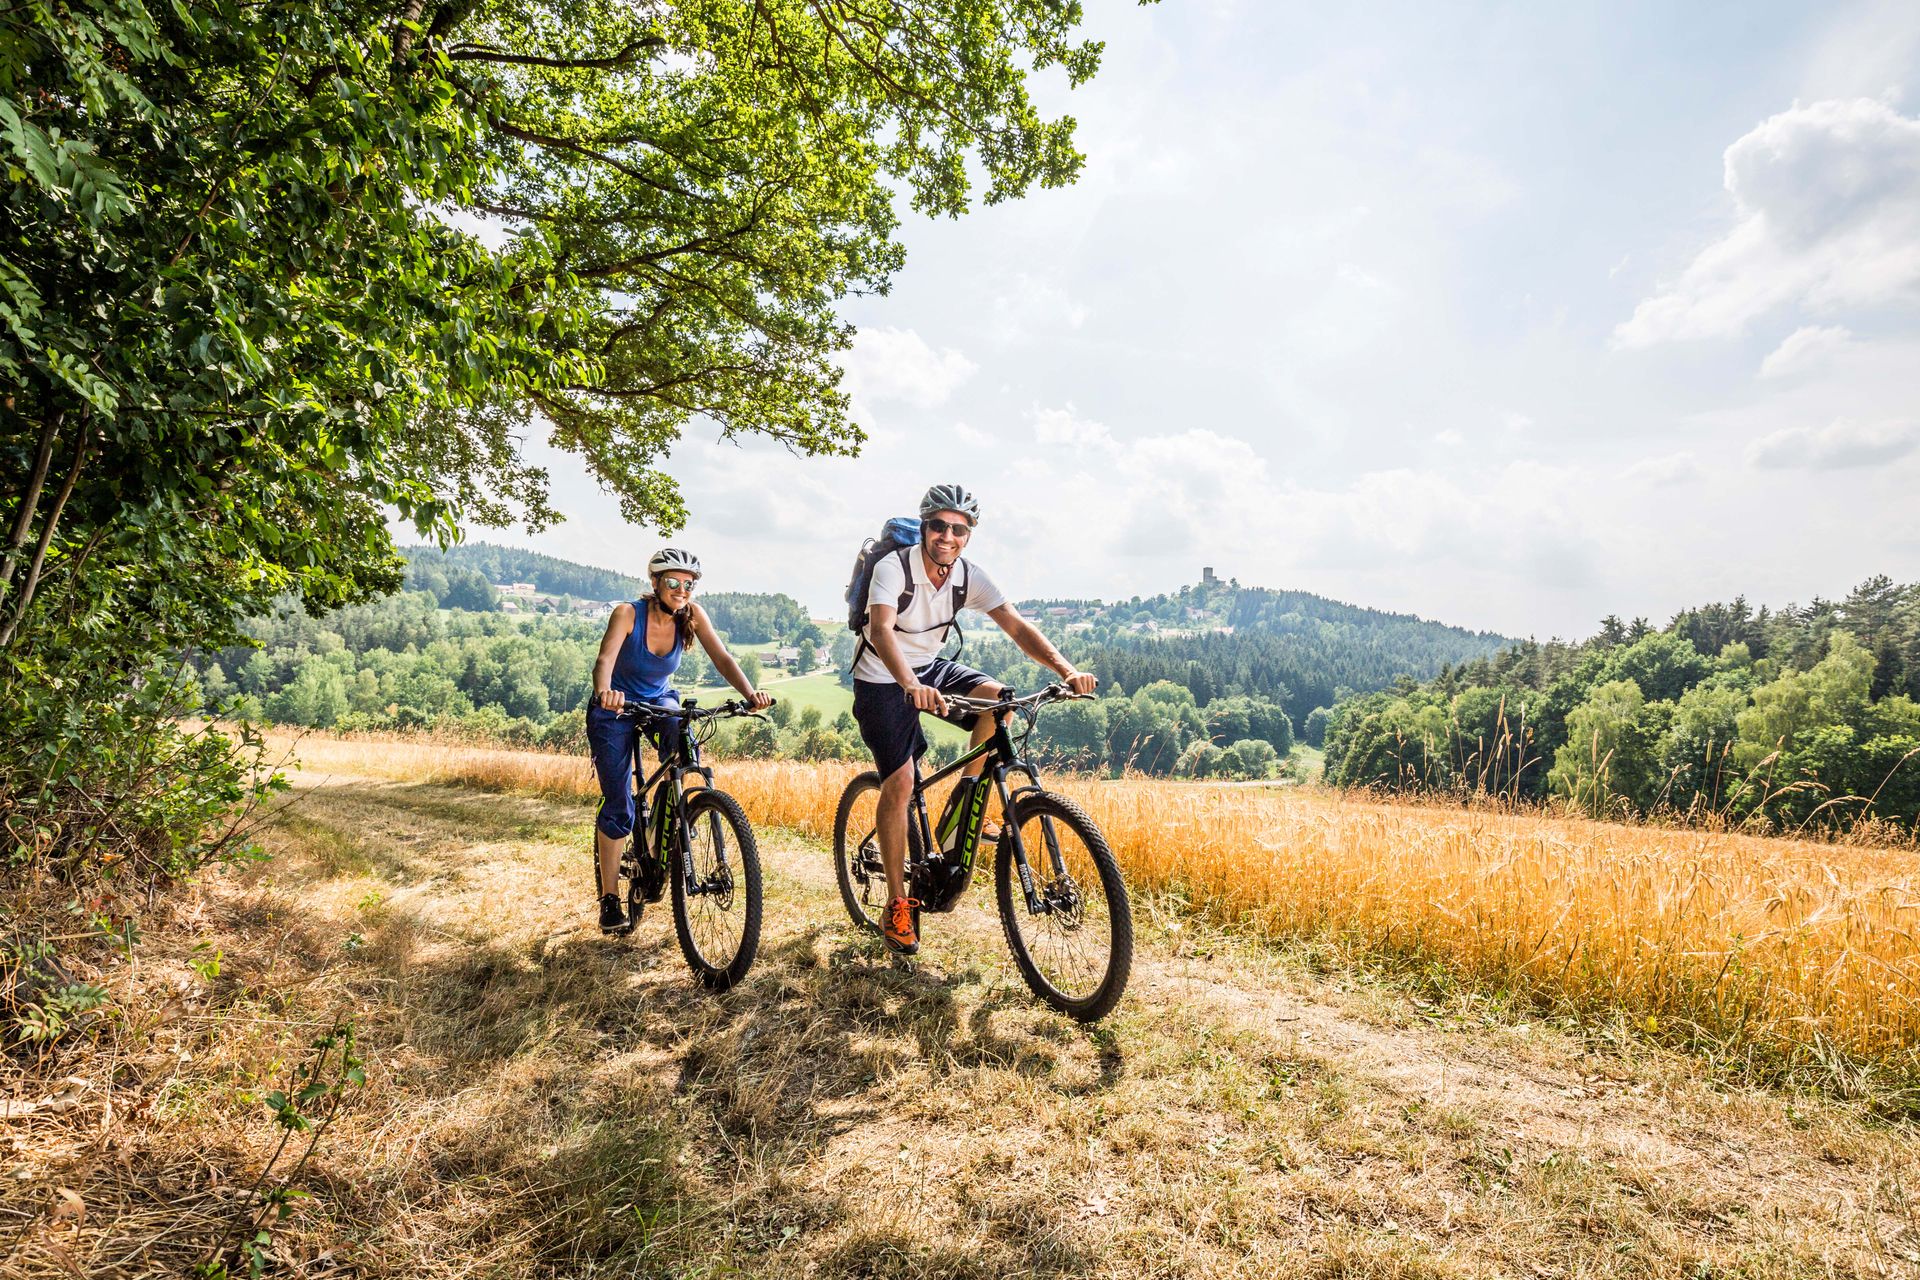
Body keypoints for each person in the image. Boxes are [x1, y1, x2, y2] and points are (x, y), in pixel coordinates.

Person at [852, 483, 1097, 955]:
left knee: (1000, 702)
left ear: (969, 535)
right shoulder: (892, 567)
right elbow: (881, 629)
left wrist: (1066, 671)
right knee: (900, 784)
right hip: (882, 678)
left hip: (930, 668)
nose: (948, 536)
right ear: (924, 528)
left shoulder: (968, 576)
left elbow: (1017, 626)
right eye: (940, 526)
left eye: (958, 529)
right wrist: (909, 685)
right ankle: (897, 903)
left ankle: (964, 809)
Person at [586, 548, 771, 933]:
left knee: (685, 752)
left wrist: (751, 694)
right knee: (620, 804)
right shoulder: (628, 614)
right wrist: (606, 691)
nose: (681, 589)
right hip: (615, 706)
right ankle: (609, 897)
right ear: (655, 583)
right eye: (673, 582)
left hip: (658, 702)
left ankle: (671, 822)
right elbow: (604, 660)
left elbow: (722, 659)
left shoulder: (693, 614)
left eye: (688, 584)